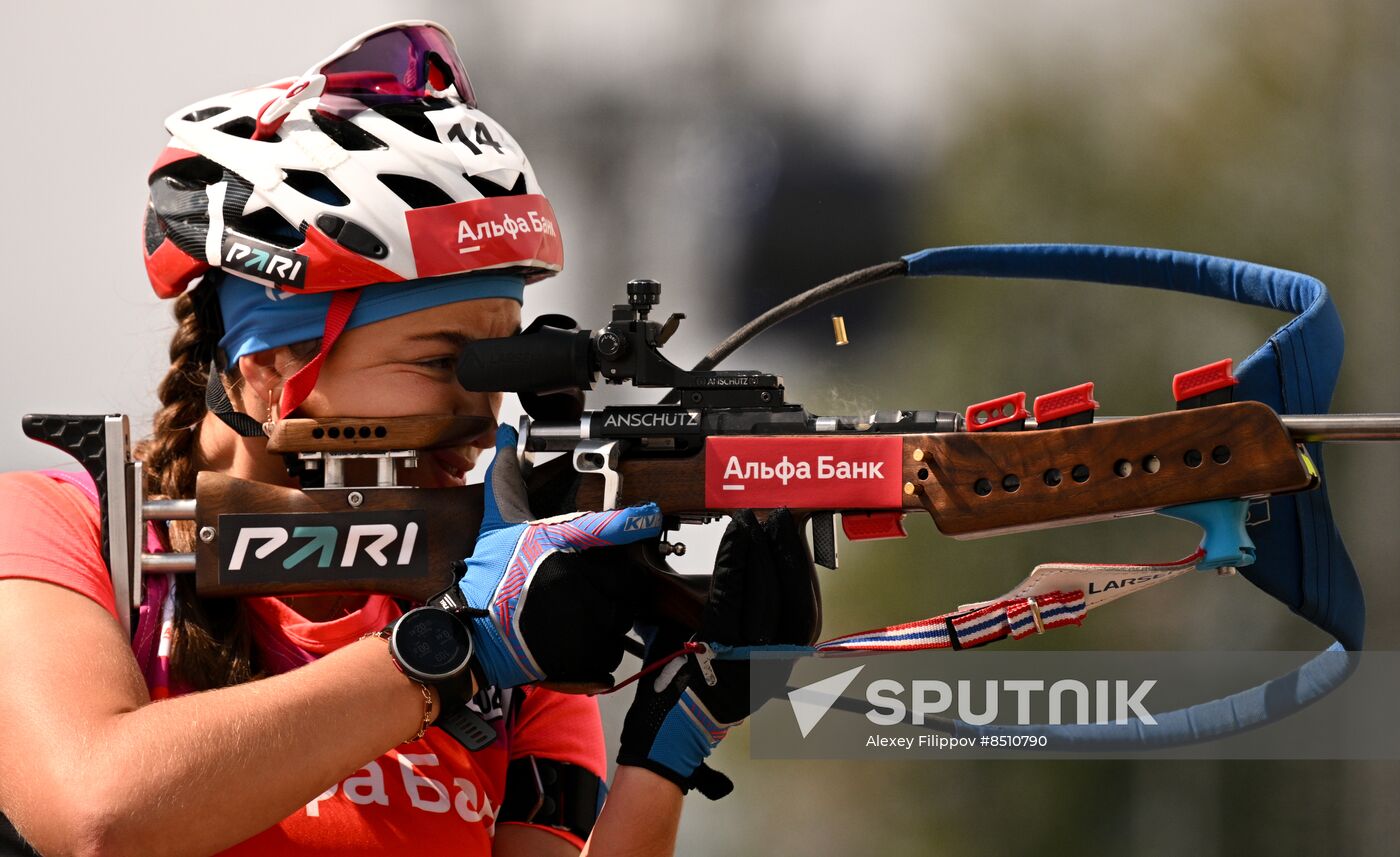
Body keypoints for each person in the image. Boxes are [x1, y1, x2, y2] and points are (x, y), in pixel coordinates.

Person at [0, 21, 815, 856]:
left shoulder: (503, 592)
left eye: (502, 357)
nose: (484, 405)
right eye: (439, 360)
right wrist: (449, 651)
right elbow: (96, 813)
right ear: (276, 362)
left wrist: (667, 748)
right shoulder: (68, 537)